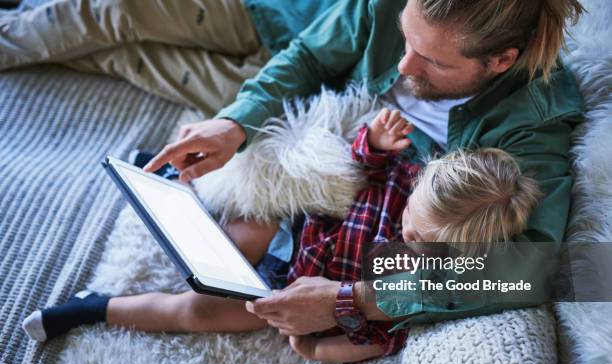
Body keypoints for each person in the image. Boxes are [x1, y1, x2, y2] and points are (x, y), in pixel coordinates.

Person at [6, 0, 585, 344]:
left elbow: (533, 268)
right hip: (315, 114)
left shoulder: (534, 121)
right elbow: (311, 57)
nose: (402, 65)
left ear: (500, 60)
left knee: (130, 51)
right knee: (118, 16)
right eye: (405, 40)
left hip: (339, 192)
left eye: (432, 60)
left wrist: (356, 299)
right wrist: (236, 124)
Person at [22, 108, 542, 364]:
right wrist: (375, 142)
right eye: (410, 219)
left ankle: (96, 307)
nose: (405, 235)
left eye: (422, 244)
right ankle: (170, 184)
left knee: (201, 310)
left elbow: (380, 342)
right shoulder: (410, 184)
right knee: (233, 222)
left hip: (286, 287)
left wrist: (315, 351)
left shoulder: (413, 294)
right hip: (296, 224)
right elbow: (357, 167)